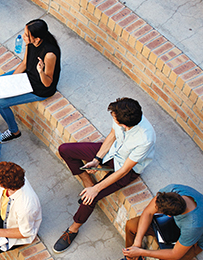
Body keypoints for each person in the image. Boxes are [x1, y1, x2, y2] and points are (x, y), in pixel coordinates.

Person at [53, 98, 155, 252]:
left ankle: (73, 229)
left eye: (114, 118)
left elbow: (124, 170)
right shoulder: (125, 115)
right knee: (65, 149)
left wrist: (96, 189)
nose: (112, 118)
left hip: (127, 168)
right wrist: (97, 159)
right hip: (111, 153)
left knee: (91, 197)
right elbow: (112, 135)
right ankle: (88, 182)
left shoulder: (144, 139)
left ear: (124, 124)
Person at [0, 19, 61, 142]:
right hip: (27, 75)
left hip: (39, 87)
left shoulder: (49, 54)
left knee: (1, 104)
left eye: (26, 35)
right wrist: (10, 82)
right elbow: (25, 63)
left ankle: (14, 131)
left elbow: (48, 83)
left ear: (36, 39)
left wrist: (41, 71)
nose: (24, 37)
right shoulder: (30, 43)